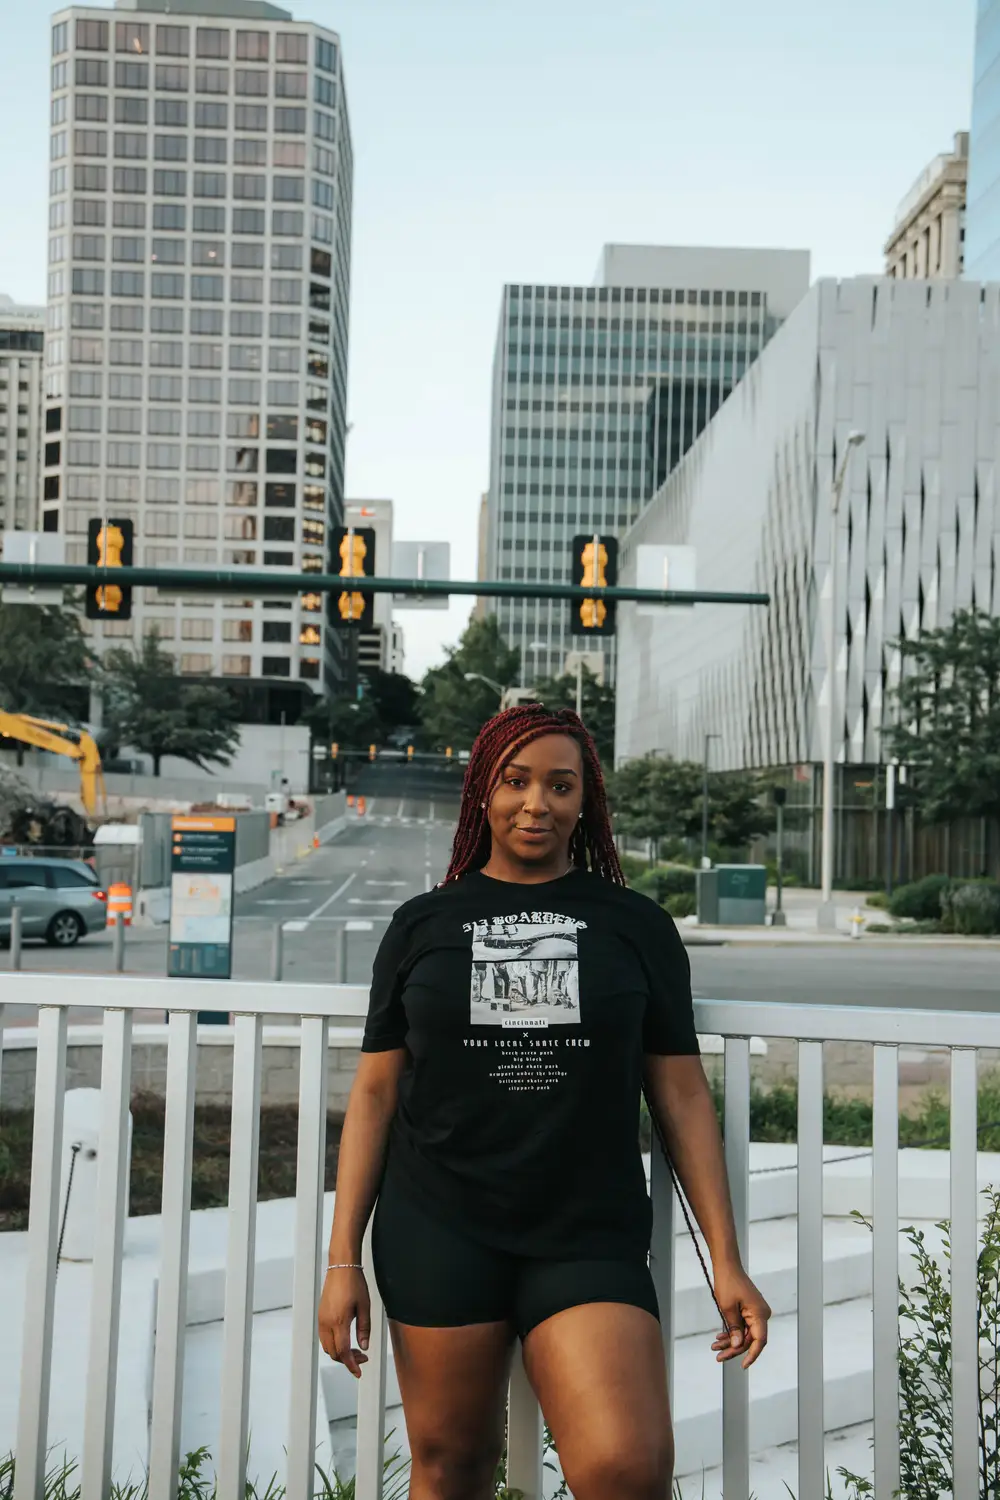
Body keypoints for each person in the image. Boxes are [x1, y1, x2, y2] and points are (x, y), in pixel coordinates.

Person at [318, 704, 770, 1500]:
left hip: (586, 1232)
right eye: (516, 781)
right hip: (438, 1223)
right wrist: (341, 1259)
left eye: (561, 786)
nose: (537, 804)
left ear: (584, 803)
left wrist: (726, 1258)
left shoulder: (636, 924)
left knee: (625, 1467)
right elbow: (377, 1092)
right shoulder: (422, 924)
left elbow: (681, 1093)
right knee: (451, 1467)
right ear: (482, 793)